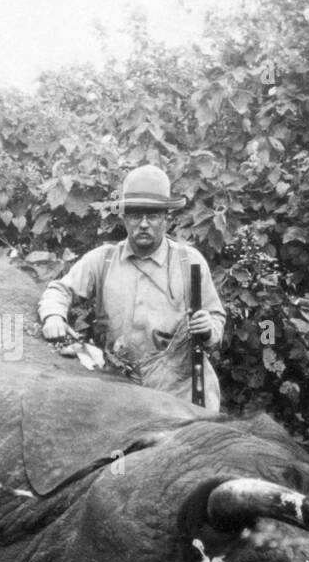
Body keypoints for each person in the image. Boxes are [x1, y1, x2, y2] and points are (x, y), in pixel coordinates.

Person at [38, 165, 226, 410]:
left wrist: (209, 328)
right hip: (124, 393)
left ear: (166, 219)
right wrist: (53, 315)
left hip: (182, 390)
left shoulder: (189, 261)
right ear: (124, 218)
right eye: (136, 215)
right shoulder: (102, 260)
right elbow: (59, 290)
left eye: (153, 215)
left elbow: (216, 318)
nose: (144, 224)